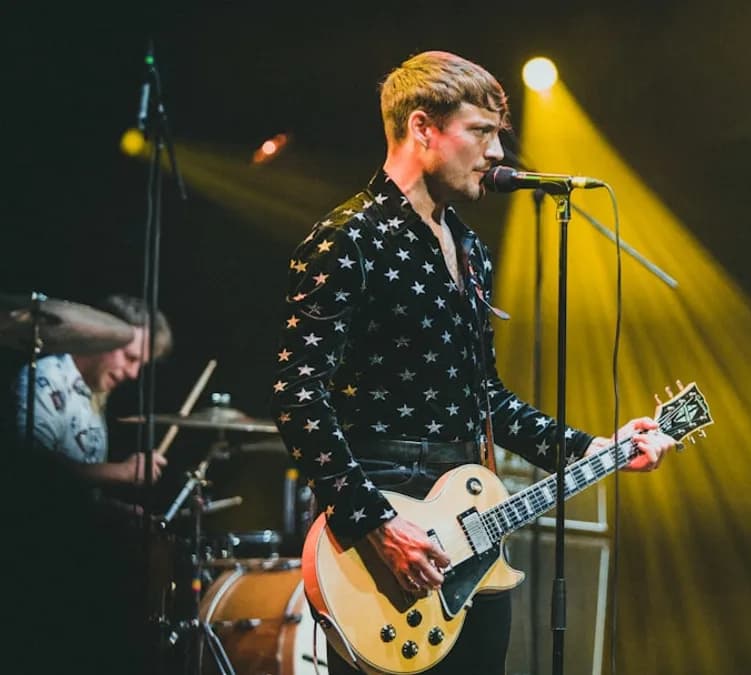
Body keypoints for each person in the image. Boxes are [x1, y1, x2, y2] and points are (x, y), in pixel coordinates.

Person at [268, 50, 677, 674]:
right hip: (385, 518)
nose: (496, 154)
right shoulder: (347, 239)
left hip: (470, 521)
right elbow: (298, 391)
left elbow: (489, 397)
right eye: (480, 132)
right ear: (423, 129)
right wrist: (375, 525)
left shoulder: (470, 248)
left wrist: (596, 447)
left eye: (498, 135)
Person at [2, 293, 173, 674]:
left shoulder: (93, 395)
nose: (132, 374)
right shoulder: (45, 376)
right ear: (99, 340)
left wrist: (115, 510)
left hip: (73, 554)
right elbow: (30, 471)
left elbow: (74, 490)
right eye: (130, 359)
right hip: (33, 563)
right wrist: (122, 472)